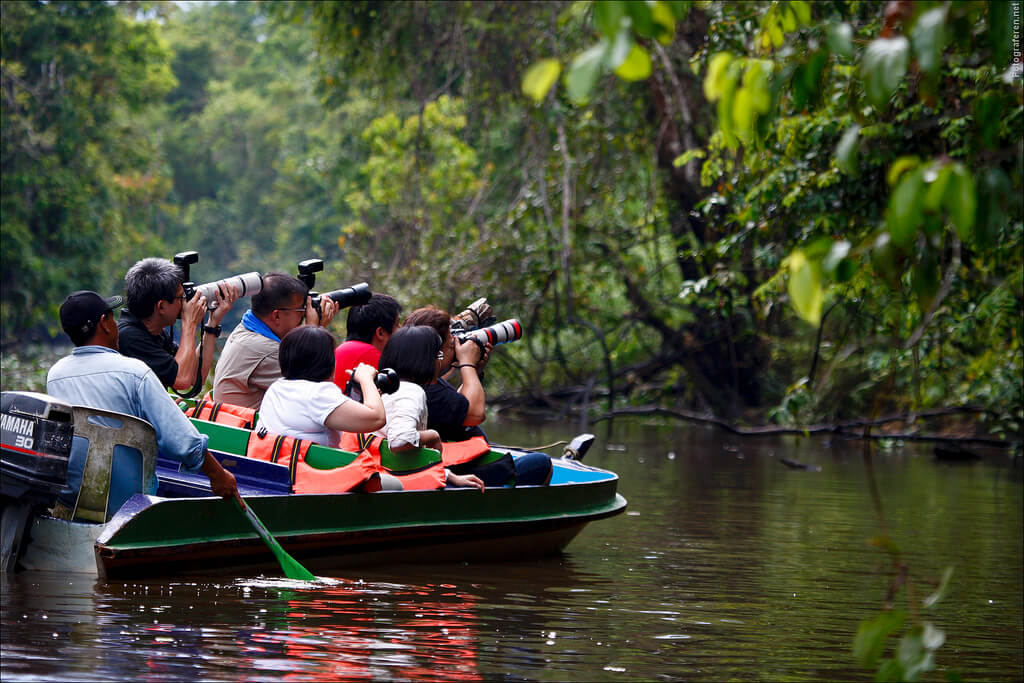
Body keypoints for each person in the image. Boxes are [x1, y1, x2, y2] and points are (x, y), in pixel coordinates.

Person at [46, 290, 239, 519]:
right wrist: (219, 476)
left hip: (74, 501)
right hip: (129, 507)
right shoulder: (135, 373)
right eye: (112, 317)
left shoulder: (55, 376)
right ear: (105, 324)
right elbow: (184, 442)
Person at [403, 306, 552, 487]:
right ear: (437, 351)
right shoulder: (425, 389)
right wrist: (467, 364)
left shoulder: (417, 377)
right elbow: (474, 415)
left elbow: (456, 408)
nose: (457, 346)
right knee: (540, 463)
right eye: (452, 343)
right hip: (451, 474)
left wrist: (475, 371)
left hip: (444, 466)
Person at [375, 326, 485, 491]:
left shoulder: (383, 387)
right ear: (425, 360)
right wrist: (433, 436)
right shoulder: (412, 392)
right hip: (397, 477)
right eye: (438, 355)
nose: (441, 360)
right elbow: (400, 440)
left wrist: (448, 475)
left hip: (387, 468)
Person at [212, 272, 338, 410]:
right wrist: (314, 331)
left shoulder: (246, 329)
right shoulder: (268, 351)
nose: (305, 316)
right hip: (247, 429)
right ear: (277, 315)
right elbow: (317, 391)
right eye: (301, 311)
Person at [118, 257, 239, 392]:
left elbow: (195, 376)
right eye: (181, 297)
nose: (185, 302)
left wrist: (212, 323)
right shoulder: (129, 338)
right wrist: (190, 323)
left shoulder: (153, 331)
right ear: (161, 306)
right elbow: (181, 380)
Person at [256, 326, 386, 449]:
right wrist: (366, 378)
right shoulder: (318, 394)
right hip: (304, 470)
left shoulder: (277, 387)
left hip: (270, 464)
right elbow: (377, 418)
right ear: (327, 363)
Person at [332, 293, 402, 388]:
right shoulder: (371, 356)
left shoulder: (342, 350)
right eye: (397, 324)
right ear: (380, 333)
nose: (401, 329)